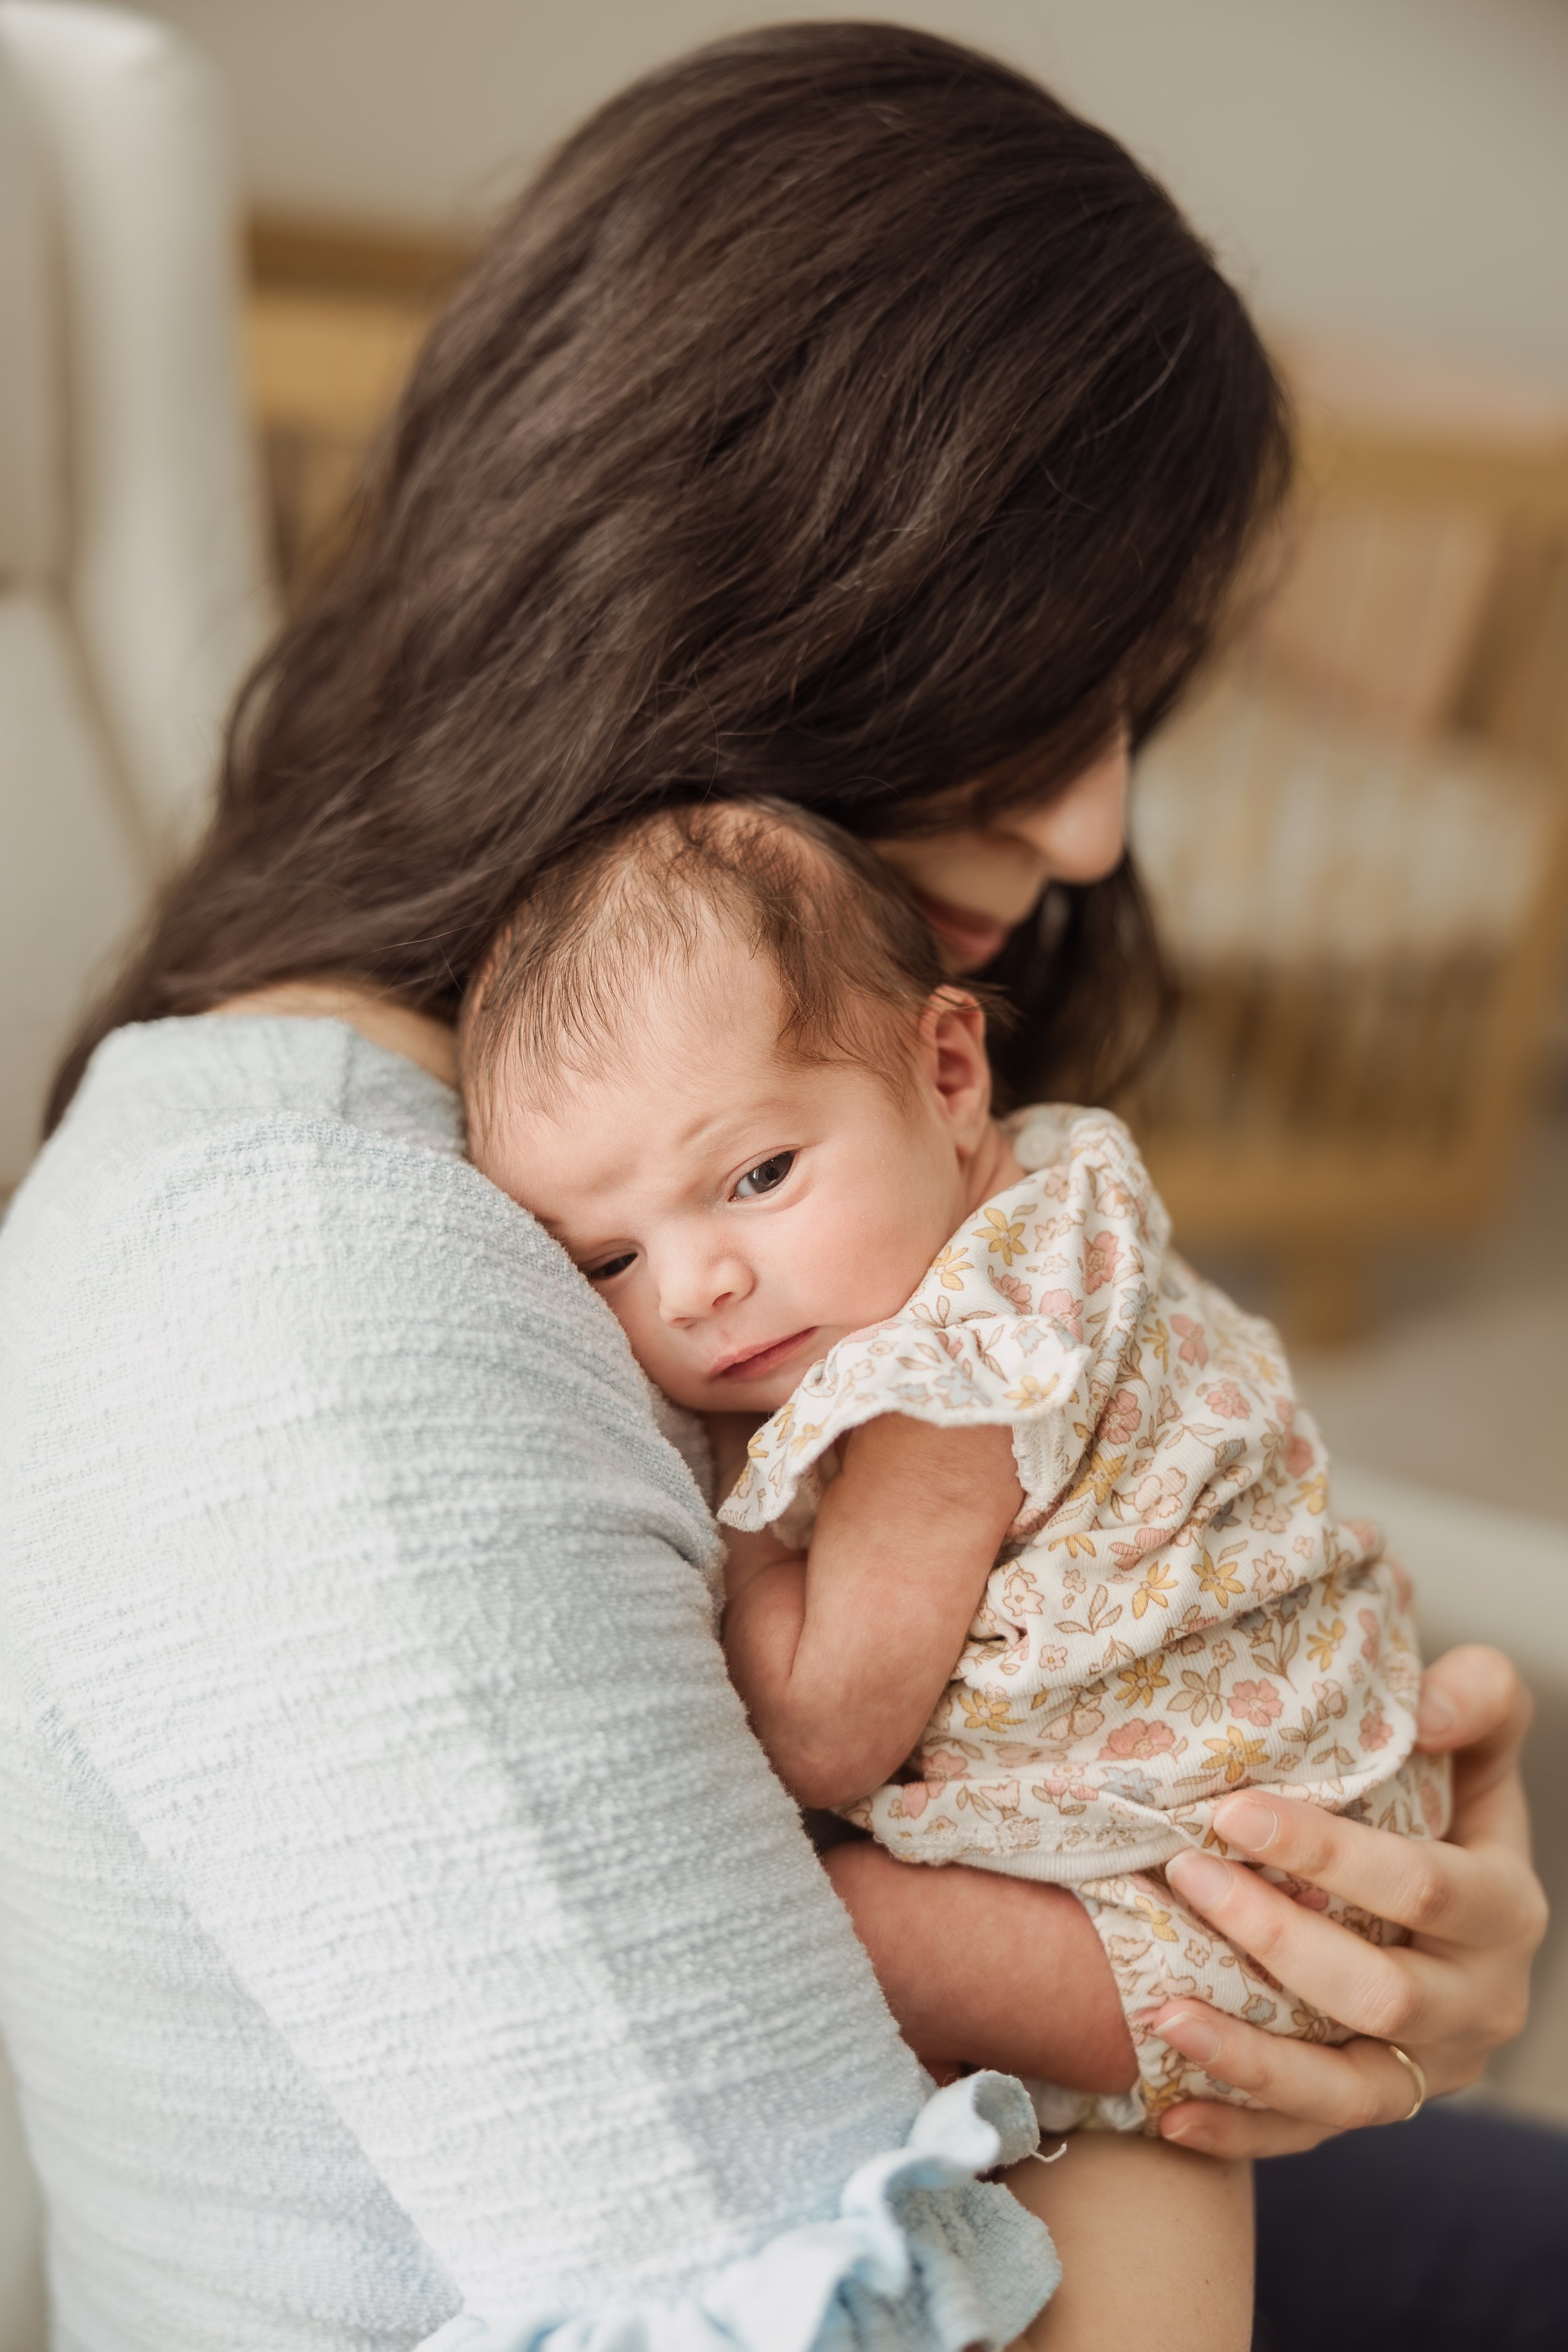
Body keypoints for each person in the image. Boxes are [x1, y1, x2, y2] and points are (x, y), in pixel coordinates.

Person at [0, 21, 1547, 2352]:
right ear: (746, 579)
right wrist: (1203, 2015)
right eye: (1041, 689)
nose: (1104, 827)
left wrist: (1373, 1959)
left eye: (1139, 703)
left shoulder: (644, 1136)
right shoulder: (325, 1318)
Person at [459, 795, 1452, 2139]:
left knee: (798, 1926)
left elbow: (820, 1735)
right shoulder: (1043, 1196)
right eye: (608, 1261)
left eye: (754, 1176)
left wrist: (731, 1499)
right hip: (1326, 1821)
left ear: (944, 1072)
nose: (696, 1287)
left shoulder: (948, 1381)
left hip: (1222, 1912)